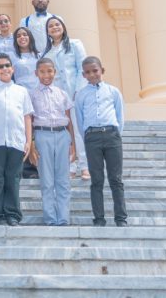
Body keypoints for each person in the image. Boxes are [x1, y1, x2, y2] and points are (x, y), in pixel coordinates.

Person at [0, 53, 34, 226]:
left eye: (7, 66)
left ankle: (12, 214)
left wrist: (28, 141)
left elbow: (27, 117)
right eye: (0, 66)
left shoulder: (22, 91)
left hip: (17, 141)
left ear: (13, 69)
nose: (4, 69)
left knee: (13, 178)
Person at [76, 56, 127, 227]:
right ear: (83, 75)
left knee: (116, 179)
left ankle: (121, 218)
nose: (92, 75)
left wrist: (116, 134)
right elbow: (79, 118)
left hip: (112, 136)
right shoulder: (81, 95)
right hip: (92, 137)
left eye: (95, 71)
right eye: (88, 72)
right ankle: (99, 218)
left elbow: (120, 115)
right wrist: (88, 136)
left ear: (102, 71)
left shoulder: (113, 91)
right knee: (96, 180)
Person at [30, 57, 76, 226]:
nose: (46, 75)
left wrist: (73, 144)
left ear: (55, 72)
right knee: (47, 180)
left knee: (63, 179)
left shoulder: (62, 93)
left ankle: (63, 218)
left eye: (49, 71)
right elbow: (30, 120)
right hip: (43, 135)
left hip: (62, 135)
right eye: (42, 71)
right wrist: (32, 144)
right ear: (36, 73)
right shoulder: (32, 95)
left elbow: (69, 119)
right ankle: (50, 218)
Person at [42, 16, 89, 180]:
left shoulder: (75, 44)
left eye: (57, 24)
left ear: (63, 26)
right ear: (47, 31)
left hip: (75, 94)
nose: (54, 27)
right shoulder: (47, 53)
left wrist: (78, 91)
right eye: (50, 26)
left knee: (77, 130)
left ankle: (84, 165)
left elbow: (82, 68)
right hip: (57, 98)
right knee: (65, 133)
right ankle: (70, 166)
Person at [10, 27, 41, 92]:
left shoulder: (39, 56)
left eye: (25, 34)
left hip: (38, 93)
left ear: (30, 37)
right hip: (21, 94)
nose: (22, 37)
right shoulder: (11, 56)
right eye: (18, 36)